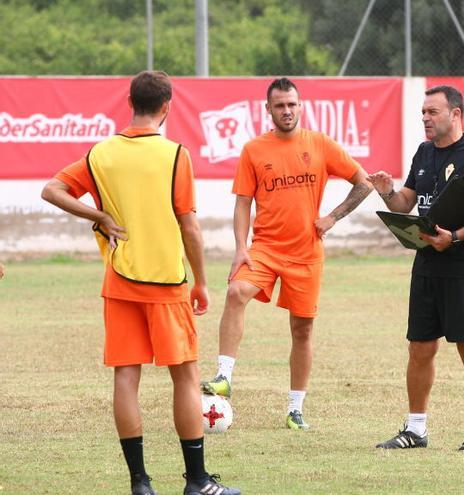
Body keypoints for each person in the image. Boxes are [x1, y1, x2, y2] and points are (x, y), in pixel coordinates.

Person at [40, 71, 239, 495]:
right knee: (186, 376)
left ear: (130, 103)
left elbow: (51, 190)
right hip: (167, 282)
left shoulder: (101, 153)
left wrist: (99, 216)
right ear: (167, 106)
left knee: (126, 378)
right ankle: (198, 481)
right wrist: (201, 282)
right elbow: (190, 227)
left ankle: (140, 483)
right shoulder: (175, 154)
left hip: (119, 281)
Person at [200, 77, 372, 430]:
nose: (287, 110)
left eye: (292, 104)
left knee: (302, 330)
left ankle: (295, 408)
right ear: (269, 110)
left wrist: (333, 217)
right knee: (236, 292)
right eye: (280, 105)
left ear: (300, 105)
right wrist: (239, 248)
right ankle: (223, 376)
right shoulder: (254, 150)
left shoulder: (320, 144)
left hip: (307, 253)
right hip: (264, 248)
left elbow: (364, 182)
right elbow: (242, 203)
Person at [369, 85, 464, 452]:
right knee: (419, 348)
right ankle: (415, 429)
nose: (425, 119)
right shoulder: (424, 153)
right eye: (423, 113)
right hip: (426, 262)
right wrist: (386, 193)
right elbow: (406, 202)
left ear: (455, 113)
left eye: (432, 112)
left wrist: (456, 236)